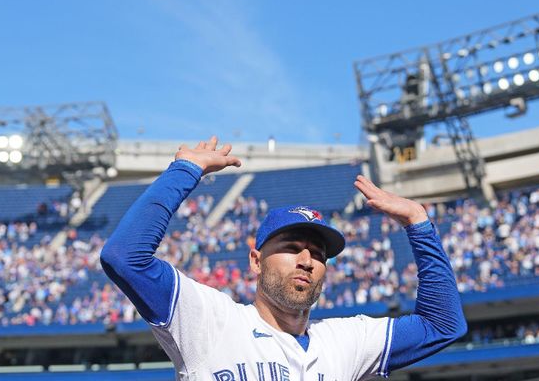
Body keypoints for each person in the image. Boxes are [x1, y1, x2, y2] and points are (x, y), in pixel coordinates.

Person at [101, 137, 467, 380]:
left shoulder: (347, 340)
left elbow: (443, 325)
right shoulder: (210, 320)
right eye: (291, 247)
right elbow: (124, 257)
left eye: (319, 254)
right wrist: (184, 170)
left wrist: (419, 224)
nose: (307, 260)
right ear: (256, 261)